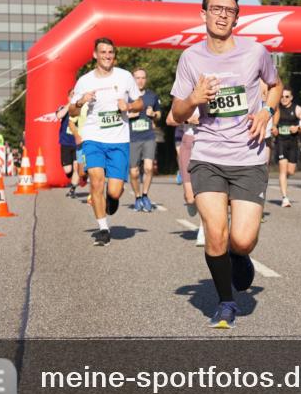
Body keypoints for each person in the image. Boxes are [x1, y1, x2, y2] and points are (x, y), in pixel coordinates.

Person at [170, 0, 282, 329]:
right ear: (203, 14)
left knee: (243, 238)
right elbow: (175, 112)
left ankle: (239, 255)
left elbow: (275, 86)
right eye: (216, 9)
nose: (222, 15)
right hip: (208, 154)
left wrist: (266, 109)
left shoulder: (255, 53)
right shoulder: (191, 58)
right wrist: (194, 98)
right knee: (215, 232)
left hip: (248, 156)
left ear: (237, 17)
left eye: (229, 10)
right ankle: (225, 302)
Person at [68, 38, 144, 246]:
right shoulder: (85, 80)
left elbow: (140, 103)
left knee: (114, 190)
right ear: (95, 55)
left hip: (119, 140)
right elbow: (72, 110)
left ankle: (112, 199)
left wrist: (127, 106)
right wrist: (81, 101)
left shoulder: (125, 76)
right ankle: (103, 228)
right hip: (93, 137)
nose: (107, 56)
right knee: (96, 179)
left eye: (110, 52)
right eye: (103, 52)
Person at [166, 108, 204, 246]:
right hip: (188, 142)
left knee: (206, 189)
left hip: (208, 142)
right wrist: (188, 119)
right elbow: (169, 119)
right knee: (190, 197)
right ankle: (191, 202)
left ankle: (203, 229)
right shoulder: (186, 95)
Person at [127, 67, 162, 212]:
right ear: (132, 79)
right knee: (134, 172)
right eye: (137, 78)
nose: (140, 81)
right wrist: (130, 115)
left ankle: (145, 195)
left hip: (148, 137)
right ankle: (137, 197)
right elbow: (118, 116)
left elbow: (159, 115)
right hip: (132, 138)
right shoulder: (127, 97)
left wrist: (153, 113)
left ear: (146, 80)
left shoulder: (152, 96)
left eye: (143, 78)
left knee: (148, 168)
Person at [271, 89, 301, 207]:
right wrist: (274, 129)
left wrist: (298, 128)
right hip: (280, 141)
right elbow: (270, 124)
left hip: (293, 143)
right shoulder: (276, 109)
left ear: (291, 98)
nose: (284, 99)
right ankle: (285, 198)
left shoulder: (297, 109)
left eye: (287, 97)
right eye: (282, 96)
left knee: (290, 170)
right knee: (282, 169)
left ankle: (284, 181)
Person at [55, 89, 80, 196]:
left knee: (76, 167)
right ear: (68, 97)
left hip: (78, 143)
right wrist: (70, 104)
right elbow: (59, 116)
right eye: (72, 96)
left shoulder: (81, 108)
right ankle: (74, 180)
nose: (74, 97)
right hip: (65, 143)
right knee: (68, 170)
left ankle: (73, 189)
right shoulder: (63, 108)